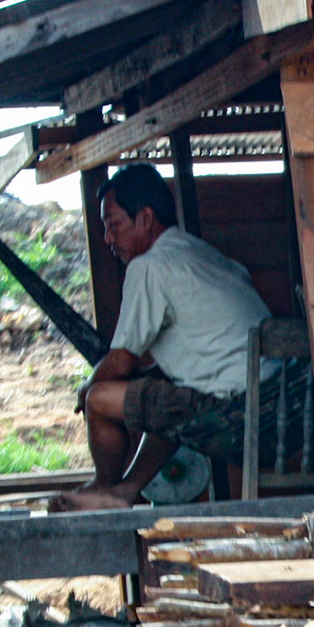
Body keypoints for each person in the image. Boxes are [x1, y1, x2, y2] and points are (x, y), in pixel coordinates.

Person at [52, 163, 274, 511]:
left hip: (231, 408)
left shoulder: (149, 266)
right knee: (160, 393)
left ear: (145, 218)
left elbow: (122, 360)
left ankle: (104, 488)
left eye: (114, 226)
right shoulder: (200, 253)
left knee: (99, 397)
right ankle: (125, 491)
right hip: (271, 396)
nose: (108, 239)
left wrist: (85, 388)